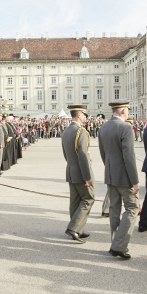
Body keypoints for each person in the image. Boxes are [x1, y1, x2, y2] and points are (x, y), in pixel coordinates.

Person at [98, 100, 140, 259]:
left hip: (110, 173)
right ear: (123, 111)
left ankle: (114, 242)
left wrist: (109, 168)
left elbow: (103, 153)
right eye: (127, 110)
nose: (128, 113)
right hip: (124, 176)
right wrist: (135, 181)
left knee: (114, 210)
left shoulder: (104, 127)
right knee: (132, 208)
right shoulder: (125, 128)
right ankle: (119, 245)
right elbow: (129, 157)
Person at [61, 104, 94, 243]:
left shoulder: (67, 130)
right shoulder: (80, 131)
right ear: (79, 114)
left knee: (75, 201)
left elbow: (65, 153)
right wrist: (87, 176)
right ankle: (74, 228)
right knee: (88, 198)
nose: (85, 117)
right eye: (84, 114)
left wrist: (71, 166)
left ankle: (77, 228)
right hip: (81, 171)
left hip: (71, 169)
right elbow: (83, 155)